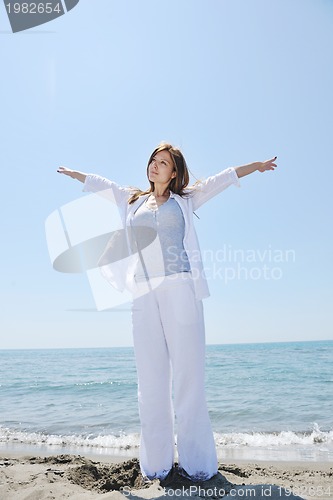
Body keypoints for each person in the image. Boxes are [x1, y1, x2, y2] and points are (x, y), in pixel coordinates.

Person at [57, 143, 277, 482]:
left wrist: (256, 166)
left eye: (163, 163)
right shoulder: (132, 200)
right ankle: (156, 465)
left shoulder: (186, 200)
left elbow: (222, 179)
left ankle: (197, 465)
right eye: (153, 161)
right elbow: (104, 185)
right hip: (143, 294)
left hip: (180, 290)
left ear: (174, 172)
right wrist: (76, 175)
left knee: (189, 378)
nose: (155, 166)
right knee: (151, 380)